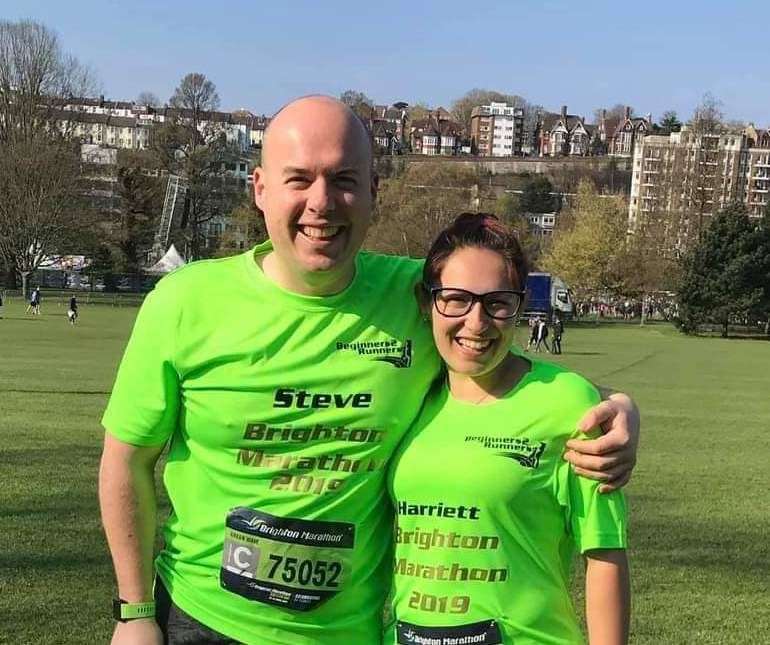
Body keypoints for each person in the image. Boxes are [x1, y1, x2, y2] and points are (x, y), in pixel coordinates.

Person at [99, 96, 640, 645]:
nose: (322, 203)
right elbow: (125, 462)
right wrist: (135, 610)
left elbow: (505, 360)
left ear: (374, 193)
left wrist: (614, 406)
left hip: (347, 634)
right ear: (259, 188)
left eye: (343, 180)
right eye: (299, 179)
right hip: (202, 621)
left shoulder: (417, 299)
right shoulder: (184, 302)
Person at [387, 213, 629, 644]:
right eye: (456, 299)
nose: (476, 323)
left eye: (496, 302)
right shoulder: (407, 397)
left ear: (518, 304)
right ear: (428, 303)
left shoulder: (569, 404)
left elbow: (605, 552)